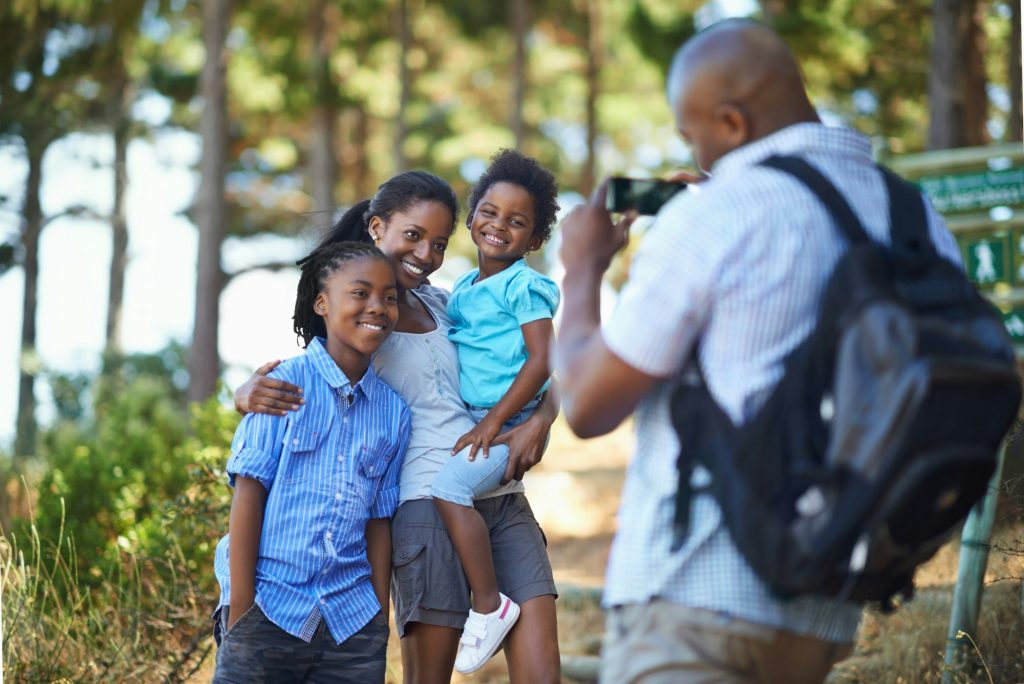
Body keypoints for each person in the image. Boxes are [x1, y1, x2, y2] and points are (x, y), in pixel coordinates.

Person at [554, 19, 961, 684]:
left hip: (693, 597)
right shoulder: (914, 215)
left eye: (693, 133)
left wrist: (584, 270)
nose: (695, 148)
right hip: (824, 606)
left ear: (732, 122)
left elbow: (588, 404)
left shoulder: (718, 213)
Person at [235, 169, 562, 684]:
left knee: (543, 671)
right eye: (412, 236)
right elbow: (312, 379)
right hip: (426, 505)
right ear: (376, 228)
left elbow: (527, 364)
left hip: (498, 493)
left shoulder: (447, 301)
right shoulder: (360, 316)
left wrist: (542, 418)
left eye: (437, 243)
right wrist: (244, 394)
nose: (425, 254)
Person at [212, 241, 412, 684]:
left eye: (389, 297)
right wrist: (243, 609)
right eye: (360, 293)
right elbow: (249, 495)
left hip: (352, 621)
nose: (377, 306)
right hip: (268, 608)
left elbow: (380, 520)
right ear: (322, 303)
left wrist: (378, 620)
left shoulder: (394, 412)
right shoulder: (281, 386)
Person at [431, 149, 560, 674]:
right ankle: (487, 601)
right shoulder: (461, 290)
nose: (498, 225)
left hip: (503, 421)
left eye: (517, 221)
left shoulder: (524, 285)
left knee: (451, 487)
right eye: (488, 211)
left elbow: (546, 357)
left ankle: (488, 606)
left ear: (533, 240)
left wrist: (498, 423)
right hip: (487, 419)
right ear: (470, 218)